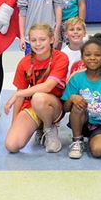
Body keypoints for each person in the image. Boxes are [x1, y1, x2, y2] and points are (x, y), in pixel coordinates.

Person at [4, 24, 69, 153]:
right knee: (12, 145)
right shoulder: (24, 63)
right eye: (33, 40)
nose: (37, 44)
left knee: (38, 97)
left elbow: (48, 86)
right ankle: (39, 126)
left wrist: (19, 94)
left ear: (51, 39)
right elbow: (20, 94)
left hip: (54, 106)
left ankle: (49, 129)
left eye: (42, 39)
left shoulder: (60, 57)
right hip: (32, 106)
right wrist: (14, 123)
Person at [62, 34, 101, 159]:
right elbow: (65, 108)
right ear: (82, 58)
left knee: (98, 151)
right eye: (88, 55)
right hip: (82, 122)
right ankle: (77, 140)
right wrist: (72, 98)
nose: (92, 58)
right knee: (78, 104)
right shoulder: (76, 79)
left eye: (97, 55)